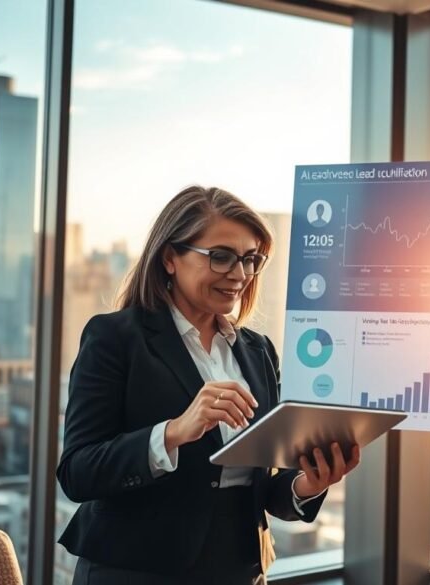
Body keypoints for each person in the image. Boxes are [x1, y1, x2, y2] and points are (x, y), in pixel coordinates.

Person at [57, 186, 360, 585]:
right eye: (221, 256)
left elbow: (264, 486)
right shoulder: (115, 339)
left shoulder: (258, 351)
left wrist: (308, 484)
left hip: (240, 570)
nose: (240, 274)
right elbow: (77, 472)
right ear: (170, 258)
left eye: (250, 259)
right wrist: (173, 432)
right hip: (136, 573)